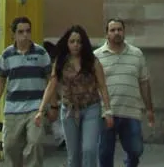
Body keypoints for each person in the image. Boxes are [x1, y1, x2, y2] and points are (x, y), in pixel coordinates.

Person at [36, 25, 114, 167]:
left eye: (79, 41)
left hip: (91, 108)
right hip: (69, 110)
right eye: (72, 41)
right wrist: (41, 110)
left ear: (83, 44)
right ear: (67, 43)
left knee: (89, 149)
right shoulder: (61, 62)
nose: (76, 45)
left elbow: (102, 86)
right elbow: (51, 85)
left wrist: (108, 110)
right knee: (73, 154)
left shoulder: (92, 61)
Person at [0, 16, 52, 167]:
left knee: (35, 143)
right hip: (13, 108)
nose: (25, 35)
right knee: (10, 147)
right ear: (14, 34)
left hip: (35, 108)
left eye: (28, 31)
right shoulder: (7, 55)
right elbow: (1, 80)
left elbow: (51, 80)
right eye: (21, 31)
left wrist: (51, 105)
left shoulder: (41, 53)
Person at [95, 17, 156, 167]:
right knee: (105, 153)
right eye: (113, 30)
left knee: (136, 150)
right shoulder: (97, 55)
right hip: (106, 112)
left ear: (124, 32)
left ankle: (130, 162)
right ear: (107, 34)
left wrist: (149, 108)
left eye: (119, 30)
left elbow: (144, 81)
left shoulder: (137, 54)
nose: (117, 33)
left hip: (131, 112)